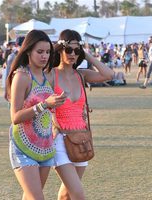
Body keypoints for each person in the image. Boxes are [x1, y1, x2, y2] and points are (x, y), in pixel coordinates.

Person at [45, 29, 114, 200]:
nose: (72, 54)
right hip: (59, 140)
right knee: (78, 194)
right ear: (60, 50)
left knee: (66, 194)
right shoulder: (51, 75)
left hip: (82, 139)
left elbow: (109, 74)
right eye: (68, 50)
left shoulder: (81, 75)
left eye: (77, 51)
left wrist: (86, 55)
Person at [6, 30, 67, 200]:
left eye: (47, 52)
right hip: (23, 147)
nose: (44, 56)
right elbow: (15, 117)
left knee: (31, 197)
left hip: (45, 146)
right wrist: (45, 104)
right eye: (39, 52)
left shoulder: (48, 75)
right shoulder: (22, 76)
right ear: (28, 52)